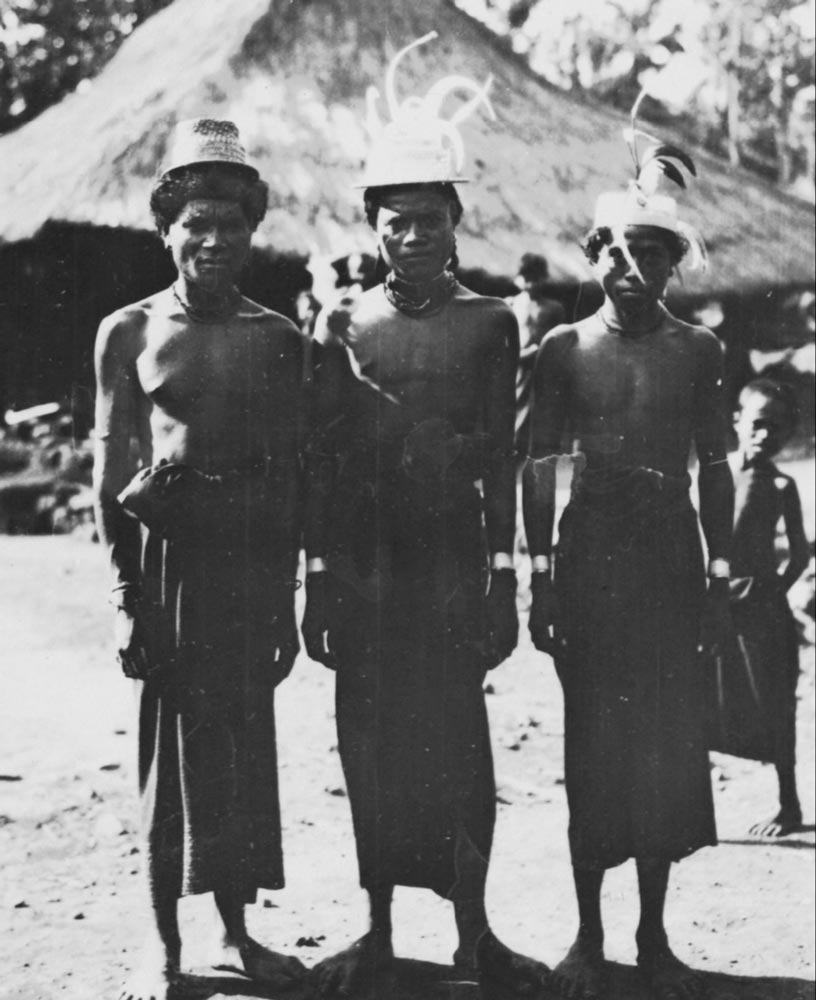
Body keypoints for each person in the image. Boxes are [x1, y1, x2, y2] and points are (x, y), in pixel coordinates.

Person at [301, 34, 549, 1000]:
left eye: (430, 220)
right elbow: (323, 465)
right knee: (367, 744)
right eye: (396, 223)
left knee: (458, 745)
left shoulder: (492, 323)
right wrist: (319, 577)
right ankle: (376, 934)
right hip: (367, 565)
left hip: (450, 563)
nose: (413, 237)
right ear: (374, 228)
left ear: (456, 223)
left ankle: (474, 936)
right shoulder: (342, 324)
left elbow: (503, 455)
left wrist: (505, 581)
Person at [92, 119, 307, 1000]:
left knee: (241, 747)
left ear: (253, 232)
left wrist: (286, 601)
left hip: (247, 566)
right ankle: (163, 948)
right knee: (165, 759)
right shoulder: (127, 332)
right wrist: (125, 596)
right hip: (168, 568)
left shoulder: (279, 337)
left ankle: (234, 933)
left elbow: (291, 480)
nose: (213, 240)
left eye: (231, 223)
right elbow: (110, 475)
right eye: (195, 223)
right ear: (166, 230)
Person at [523, 139, 734, 1000]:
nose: (635, 265)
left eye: (654, 251)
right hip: (591, 559)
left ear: (675, 263)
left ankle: (653, 935)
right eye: (619, 249)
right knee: (594, 745)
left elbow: (715, 465)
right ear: (593, 255)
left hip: (670, 560)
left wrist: (720, 572)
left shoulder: (699, 353)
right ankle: (588, 935)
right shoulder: (564, 350)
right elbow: (537, 465)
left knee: (662, 743)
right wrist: (538, 572)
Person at [710, 377, 808, 837]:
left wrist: (773, 589)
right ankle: (692, 809)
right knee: (701, 697)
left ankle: (788, 805)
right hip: (713, 607)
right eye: (758, 423)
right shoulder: (713, 473)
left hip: (762, 612)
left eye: (777, 428)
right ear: (737, 422)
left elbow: (801, 553)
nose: (765, 434)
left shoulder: (782, 484)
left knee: (774, 702)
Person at [506, 252, 565, 462]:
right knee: (513, 415)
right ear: (518, 278)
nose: (531, 284)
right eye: (527, 278)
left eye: (535, 278)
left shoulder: (553, 308)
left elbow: (559, 341)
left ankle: (537, 459)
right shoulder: (510, 305)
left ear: (543, 278)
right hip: (517, 368)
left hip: (543, 369)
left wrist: (540, 352)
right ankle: (512, 458)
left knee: (542, 418)